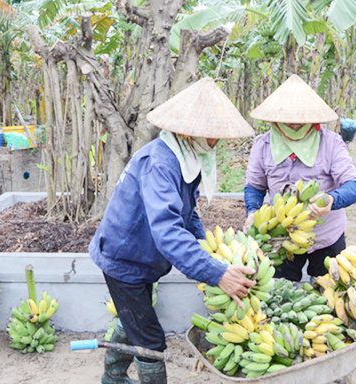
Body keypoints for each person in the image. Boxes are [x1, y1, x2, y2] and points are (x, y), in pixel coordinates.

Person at [89, 77, 256, 384]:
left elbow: (186, 212)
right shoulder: (160, 163)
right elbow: (167, 230)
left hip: (140, 254)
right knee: (150, 339)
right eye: (211, 136)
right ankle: (114, 378)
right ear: (186, 131)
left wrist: (208, 248)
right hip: (124, 258)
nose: (216, 143)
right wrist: (216, 272)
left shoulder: (184, 155)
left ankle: (112, 378)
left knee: (133, 321)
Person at [243, 74, 356, 282]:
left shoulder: (331, 143)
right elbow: (254, 186)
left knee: (327, 294)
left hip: (327, 236)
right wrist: (252, 212)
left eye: (301, 121)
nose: (294, 125)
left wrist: (331, 200)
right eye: (288, 121)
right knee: (281, 293)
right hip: (281, 237)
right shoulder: (262, 145)